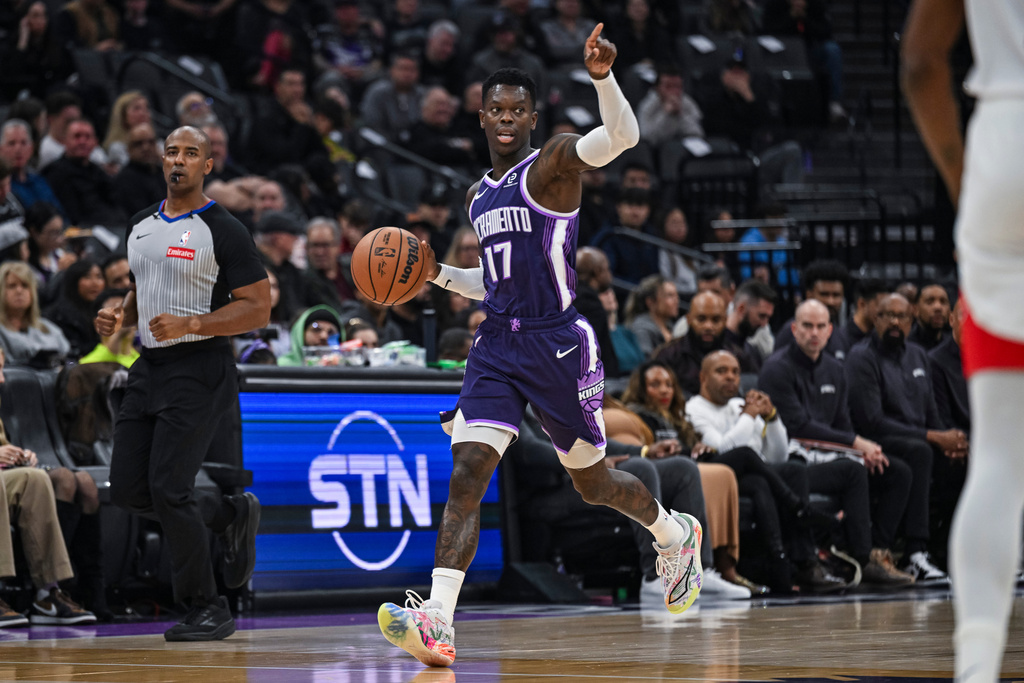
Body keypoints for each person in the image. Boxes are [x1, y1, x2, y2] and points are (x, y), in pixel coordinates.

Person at [378, 28, 703, 668]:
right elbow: (490, 281)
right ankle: (438, 620)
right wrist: (435, 275)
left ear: (533, 115)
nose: (505, 119)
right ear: (482, 116)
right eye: (495, 109)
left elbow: (623, 140)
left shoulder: (553, 163)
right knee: (468, 474)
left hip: (558, 342)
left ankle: (672, 532)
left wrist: (604, 78)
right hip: (497, 341)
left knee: (594, 485)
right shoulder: (478, 196)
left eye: (516, 110)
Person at [93, 126, 269, 641]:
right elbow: (140, 286)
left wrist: (194, 323)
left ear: (207, 166)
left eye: (192, 153)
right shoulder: (139, 225)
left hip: (201, 367)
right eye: (172, 151)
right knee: (127, 489)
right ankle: (229, 512)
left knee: (170, 488)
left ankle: (207, 606)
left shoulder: (224, 228)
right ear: (161, 160)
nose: (180, 160)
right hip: (149, 366)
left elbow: (259, 307)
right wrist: (120, 317)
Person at [903, 2, 1024, 677]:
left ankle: (975, 664)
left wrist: (964, 182)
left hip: (1004, 145)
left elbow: (922, 61)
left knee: (1002, 458)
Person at [758, 300, 916, 586]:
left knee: (897, 472)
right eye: (807, 326)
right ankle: (861, 556)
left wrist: (859, 449)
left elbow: (842, 423)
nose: (814, 332)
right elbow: (798, 427)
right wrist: (856, 444)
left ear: (831, 331)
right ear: (794, 329)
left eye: (820, 326)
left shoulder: (835, 368)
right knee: (852, 471)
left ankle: (878, 550)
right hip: (793, 458)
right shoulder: (776, 368)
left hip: (830, 454)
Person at [685, 350, 847, 593]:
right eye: (722, 371)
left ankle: (801, 562)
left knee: (792, 470)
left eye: (736, 372)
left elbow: (777, 456)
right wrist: (749, 416)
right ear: (703, 377)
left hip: (752, 477)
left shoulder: (739, 405)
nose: (731, 377)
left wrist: (772, 418)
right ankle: (800, 511)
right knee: (746, 455)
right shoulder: (693, 409)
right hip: (718, 478)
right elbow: (724, 449)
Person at [844, 293, 964, 584]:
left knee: (963, 457)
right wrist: (934, 436)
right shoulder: (862, 357)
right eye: (888, 315)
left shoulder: (918, 354)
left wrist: (949, 441)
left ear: (912, 321)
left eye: (903, 316)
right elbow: (871, 421)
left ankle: (960, 552)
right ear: (876, 319)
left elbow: (931, 413)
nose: (896, 322)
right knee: (919, 454)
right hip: (875, 441)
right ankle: (915, 552)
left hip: (918, 440)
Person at [0, 260, 70, 366]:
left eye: (24, 285)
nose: (19, 291)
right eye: (12, 286)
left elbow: (69, 361)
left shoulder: (49, 328)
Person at [625, 274, 678, 358]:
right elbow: (646, 363)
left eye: (676, 295)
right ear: (650, 302)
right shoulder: (641, 329)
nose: (676, 301)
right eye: (670, 296)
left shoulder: (671, 326)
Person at [908, 282, 952, 351]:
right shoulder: (905, 346)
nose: (938, 307)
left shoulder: (955, 346)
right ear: (915, 310)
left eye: (943, 302)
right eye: (930, 301)